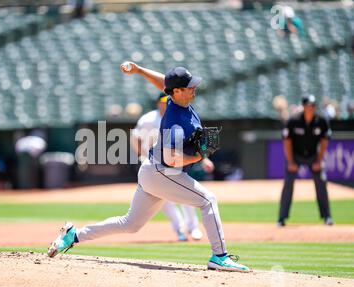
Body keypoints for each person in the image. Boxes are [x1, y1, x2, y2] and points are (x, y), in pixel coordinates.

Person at [47, 62, 251, 272]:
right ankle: (220, 256)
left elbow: (164, 82)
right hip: (163, 172)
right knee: (208, 200)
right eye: (190, 86)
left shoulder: (176, 99)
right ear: (178, 91)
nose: (194, 88)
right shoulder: (175, 120)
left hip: (152, 171)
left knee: (130, 224)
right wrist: (199, 155)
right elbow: (171, 159)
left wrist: (139, 70)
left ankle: (74, 235)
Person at [130, 92, 209, 241]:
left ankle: (193, 228)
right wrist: (141, 154)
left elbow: (191, 143)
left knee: (185, 195)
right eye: (163, 101)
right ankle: (179, 230)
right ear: (158, 103)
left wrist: (204, 160)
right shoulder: (147, 119)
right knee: (165, 201)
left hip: (175, 164)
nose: (165, 104)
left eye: (168, 101)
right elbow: (135, 137)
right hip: (154, 164)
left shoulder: (178, 117)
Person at [278, 95, 333, 227]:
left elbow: (324, 142)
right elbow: (287, 142)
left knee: (321, 180)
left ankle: (327, 217)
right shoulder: (293, 120)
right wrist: (290, 161)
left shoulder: (321, 120)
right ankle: (281, 218)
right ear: (303, 106)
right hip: (296, 155)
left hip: (313, 155)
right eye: (309, 105)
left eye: (313, 105)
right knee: (288, 182)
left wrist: (319, 161)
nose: (311, 108)